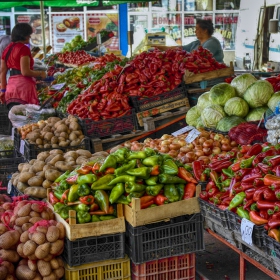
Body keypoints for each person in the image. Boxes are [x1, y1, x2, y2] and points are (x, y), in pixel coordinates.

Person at [0, 23, 46, 108]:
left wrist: (3, 90)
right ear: (23, 35)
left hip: (11, 88)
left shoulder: (7, 49)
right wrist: (40, 73)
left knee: (15, 118)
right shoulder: (23, 48)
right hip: (23, 88)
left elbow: (2, 72)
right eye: (29, 35)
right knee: (27, 118)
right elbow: (25, 72)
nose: (30, 37)